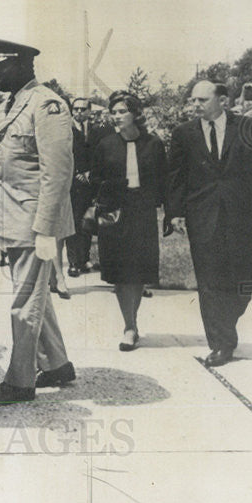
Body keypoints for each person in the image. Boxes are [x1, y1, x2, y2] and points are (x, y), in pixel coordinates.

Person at [0, 40, 77, 404]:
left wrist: (45, 229)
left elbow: (57, 172)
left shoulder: (48, 104)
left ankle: (19, 381)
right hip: (14, 216)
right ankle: (56, 364)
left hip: (34, 220)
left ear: (24, 65)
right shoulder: (7, 104)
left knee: (24, 302)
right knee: (35, 294)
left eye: (1, 66)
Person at [167, 80, 252, 367]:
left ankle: (227, 323)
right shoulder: (183, 133)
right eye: (193, 100)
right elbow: (175, 176)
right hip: (202, 215)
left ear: (222, 100)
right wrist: (175, 213)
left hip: (240, 215)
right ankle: (220, 343)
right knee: (208, 281)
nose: (195, 105)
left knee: (248, 274)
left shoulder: (246, 127)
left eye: (202, 100)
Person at [90, 90, 169, 351]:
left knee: (139, 272)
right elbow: (95, 180)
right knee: (122, 274)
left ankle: (132, 323)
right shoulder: (105, 145)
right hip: (115, 212)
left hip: (143, 212)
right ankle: (130, 326)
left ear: (135, 114)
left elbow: (163, 180)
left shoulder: (154, 144)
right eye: (113, 112)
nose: (116, 116)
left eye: (122, 111)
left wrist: (167, 211)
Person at [66, 96, 110, 278]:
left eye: (83, 109)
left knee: (88, 221)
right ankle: (74, 263)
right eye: (75, 109)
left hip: (91, 182)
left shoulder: (97, 131)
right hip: (73, 183)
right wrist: (76, 172)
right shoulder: (66, 130)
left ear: (90, 111)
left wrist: (91, 173)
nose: (79, 112)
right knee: (74, 222)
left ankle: (84, 259)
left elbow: (101, 154)